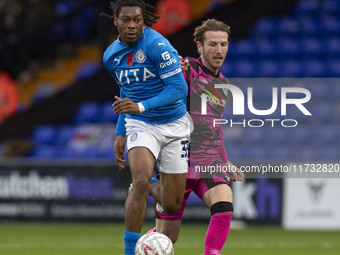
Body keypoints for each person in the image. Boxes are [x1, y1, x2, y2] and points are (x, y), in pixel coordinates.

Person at [101, 1, 192, 254]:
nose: (132, 25)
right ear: (116, 21)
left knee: (172, 205)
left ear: (144, 21)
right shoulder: (111, 56)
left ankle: (152, 184)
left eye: (137, 20)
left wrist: (139, 106)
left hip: (174, 124)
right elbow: (127, 91)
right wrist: (121, 133)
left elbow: (179, 89)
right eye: (126, 20)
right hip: (141, 124)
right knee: (139, 180)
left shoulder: (157, 45)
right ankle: (130, 251)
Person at [149, 19, 244, 255]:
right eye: (212, 44)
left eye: (223, 44)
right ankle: (150, 197)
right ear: (199, 47)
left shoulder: (222, 83)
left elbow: (215, 126)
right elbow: (164, 98)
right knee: (167, 239)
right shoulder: (187, 70)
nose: (219, 50)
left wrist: (225, 161)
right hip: (177, 161)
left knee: (224, 205)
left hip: (208, 162)